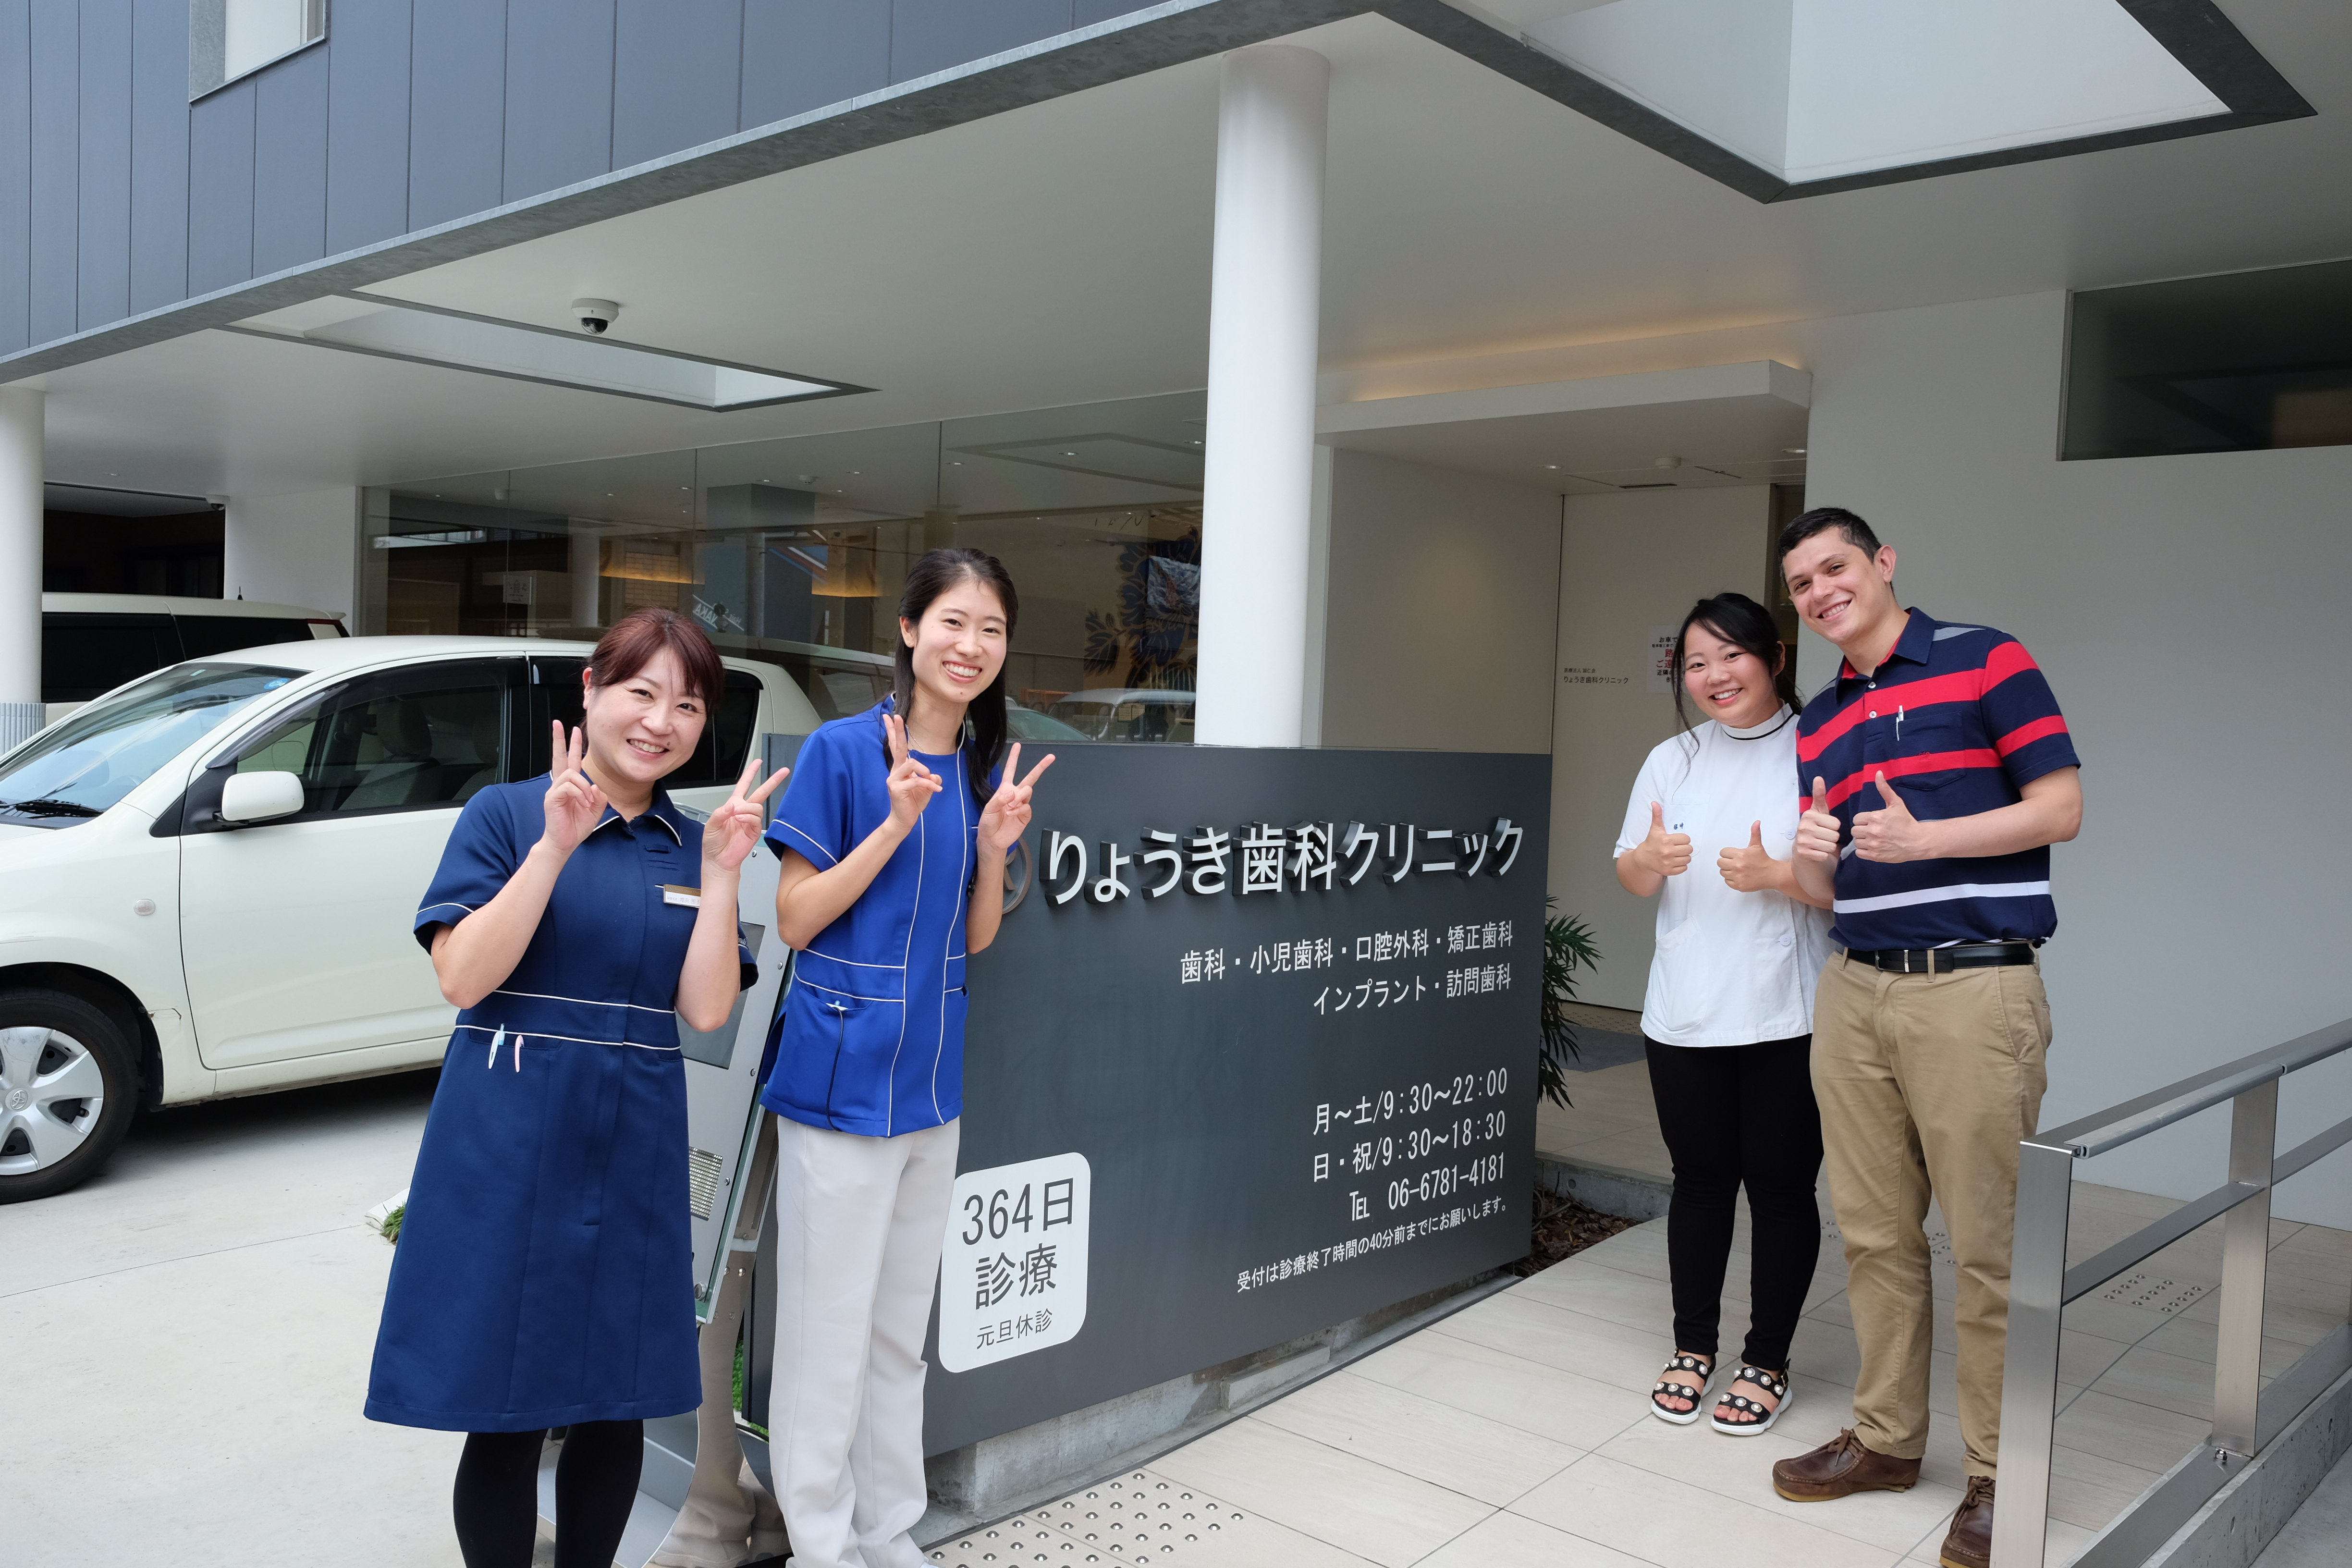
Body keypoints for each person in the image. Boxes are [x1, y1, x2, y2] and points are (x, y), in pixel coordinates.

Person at [366, 607, 784, 1568]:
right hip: (509, 1136)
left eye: (687, 704)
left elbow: (709, 1011)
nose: (661, 721)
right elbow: (464, 977)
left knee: (616, 1396)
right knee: (511, 1404)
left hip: (634, 1140)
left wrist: (724, 876)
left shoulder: (690, 841)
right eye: (640, 692)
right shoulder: (507, 815)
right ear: (591, 692)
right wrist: (555, 846)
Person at [1768, 508, 2082, 1568]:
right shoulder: (1819, 718)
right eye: (1803, 582)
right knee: (1872, 1231)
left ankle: (1999, 1475)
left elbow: (2062, 806)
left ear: (1883, 565)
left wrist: (1926, 837)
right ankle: (1891, 1439)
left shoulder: (1984, 658)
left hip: (1971, 992)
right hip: (1854, 990)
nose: (1820, 591)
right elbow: (1829, 890)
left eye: (1835, 568)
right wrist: (1811, 857)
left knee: (1989, 1248)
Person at [759, 548, 1053, 1568]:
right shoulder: (841, 753)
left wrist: (992, 851)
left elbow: (971, 941)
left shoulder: (982, 770)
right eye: (955, 623)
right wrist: (894, 825)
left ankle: (890, 1532)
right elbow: (796, 918)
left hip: (930, 1086)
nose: (972, 646)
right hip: (840, 1086)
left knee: (895, 1334)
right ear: (909, 630)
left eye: (992, 630)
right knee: (825, 1336)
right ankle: (821, 1541)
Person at [1615, 592, 1836, 1437]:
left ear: (1775, 657)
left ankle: (1768, 1360)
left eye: (1731, 656)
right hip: (1684, 1013)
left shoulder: (1819, 751)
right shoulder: (1672, 760)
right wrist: (1647, 857)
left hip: (1790, 1013)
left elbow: (1845, 890)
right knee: (1700, 1184)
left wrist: (1780, 874)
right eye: (1696, 664)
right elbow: (1636, 881)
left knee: (1782, 1190)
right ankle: (1691, 1348)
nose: (1714, 676)